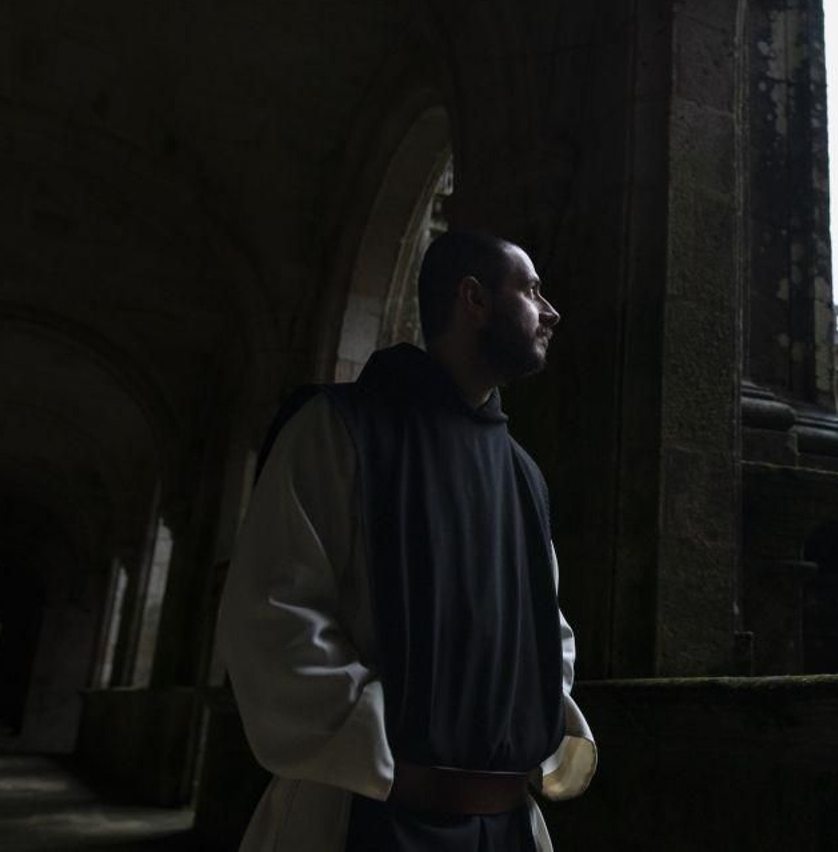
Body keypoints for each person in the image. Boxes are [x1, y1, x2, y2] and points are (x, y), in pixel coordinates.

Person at [217, 230, 595, 852]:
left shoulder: (524, 476)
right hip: (362, 812)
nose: (550, 310)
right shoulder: (337, 429)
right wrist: (388, 746)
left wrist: (529, 727)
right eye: (530, 290)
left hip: (506, 828)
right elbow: (274, 614)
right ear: (473, 299)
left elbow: (546, 631)